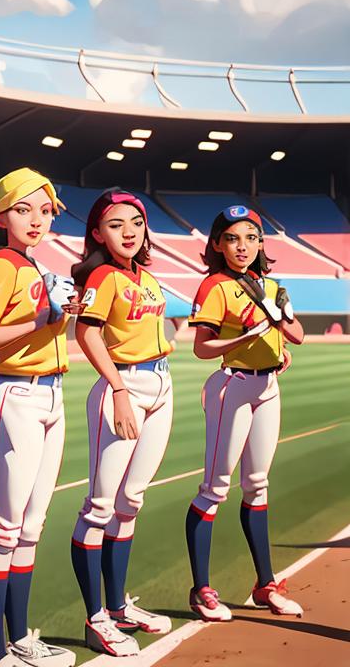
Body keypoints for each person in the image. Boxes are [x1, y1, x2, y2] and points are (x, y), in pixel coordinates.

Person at [0, 167, 79, 667]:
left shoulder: (32, 266)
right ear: (0, 216)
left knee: (30, 528)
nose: (36, 219)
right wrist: (41, 318)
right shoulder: (2, 265)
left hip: (51, 395)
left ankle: (19, 640)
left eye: (44, 209)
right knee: (5, 530)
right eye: (22, 209)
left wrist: (58, 313)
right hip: (16, 394)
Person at [184, 205, 305, 621]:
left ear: (260, 244)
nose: (243, 246)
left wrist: (281, 330)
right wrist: (249, 335)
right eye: (233, 238)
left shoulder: (269, 285)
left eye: (251, 238)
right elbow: (201, 348)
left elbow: (299, 335)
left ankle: (265, 585)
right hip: (232, 386)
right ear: (217, 243)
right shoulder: (214, 286)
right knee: (215, 487)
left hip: (268, 386)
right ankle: (201, 590)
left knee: (257, 485)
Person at [69, 190, 175, 657]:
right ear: (97, 233)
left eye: (136, 221)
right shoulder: (103, 275)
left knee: (130, 500)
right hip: (124, 388)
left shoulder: (147, 278)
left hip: (161, 384)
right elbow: (87, 331)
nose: (129, 231)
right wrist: (118, 390)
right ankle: (95, 618)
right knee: (99, 505)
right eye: (116, 224)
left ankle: (116, 607)